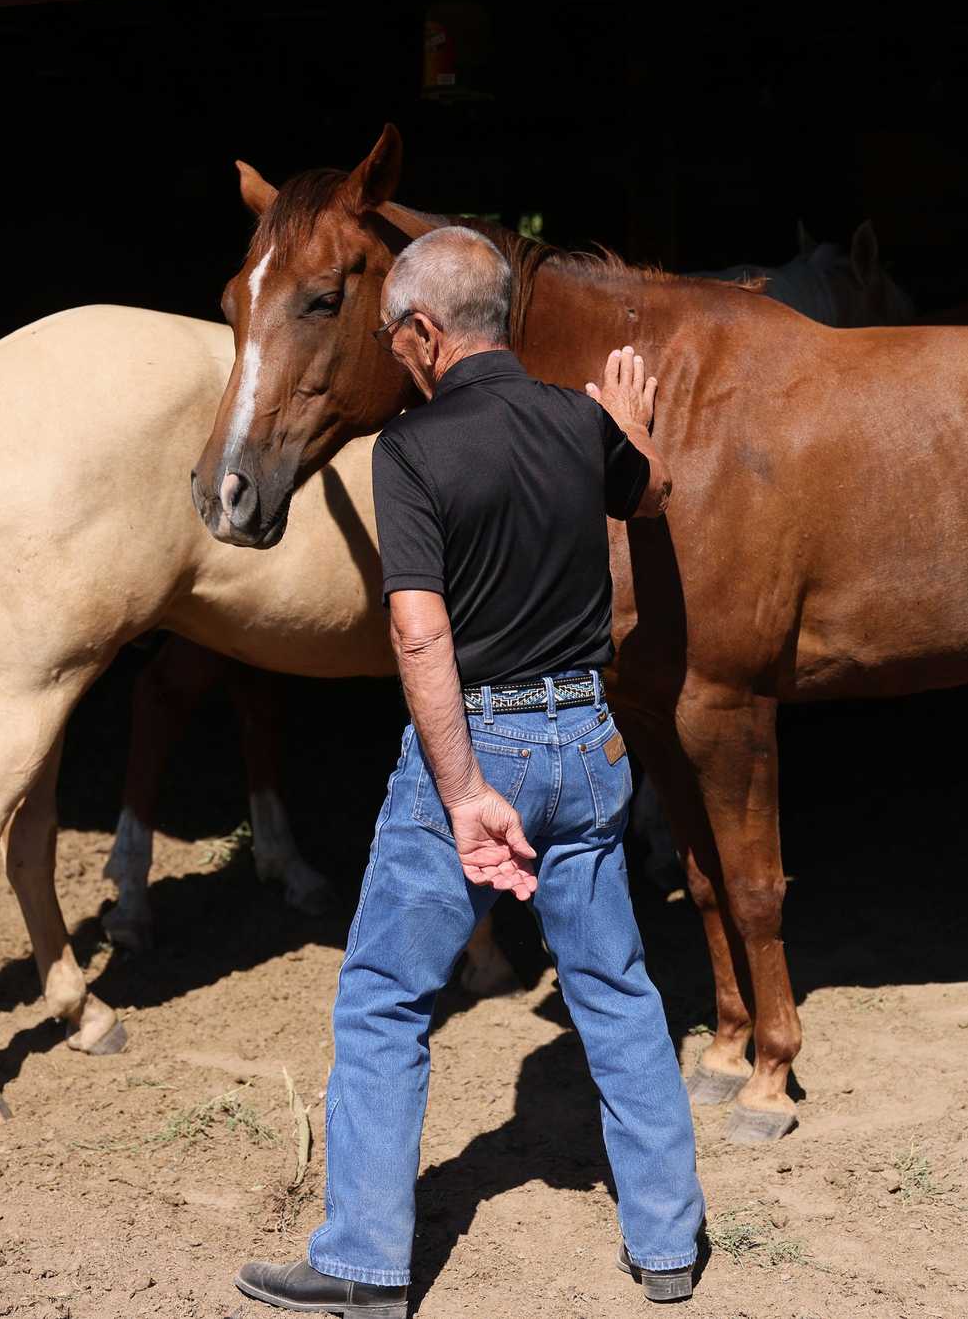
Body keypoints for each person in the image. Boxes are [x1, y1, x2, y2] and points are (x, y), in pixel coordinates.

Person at [234, 226, 703, 1318]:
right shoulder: (580, 423)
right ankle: (667, 1243)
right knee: (616, 989)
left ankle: (361, 1263)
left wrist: (460, 793)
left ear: (423, 332)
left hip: (479, 741)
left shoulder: (405, 450)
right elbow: (652, 494)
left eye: (398, 339)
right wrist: (630, 427)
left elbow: (416, 636)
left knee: (385, 994)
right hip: (587, 744)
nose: (396, 358)